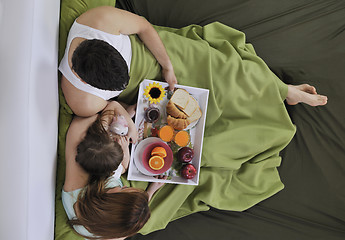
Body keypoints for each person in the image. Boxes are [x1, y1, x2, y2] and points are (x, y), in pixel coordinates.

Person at [62, 102, 167, 239]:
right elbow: (126, 224)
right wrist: (151, 191)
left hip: (87, 135)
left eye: (123, 190)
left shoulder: (77, 188)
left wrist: (124, 125)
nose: (122, 186)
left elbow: (80, 126)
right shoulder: (115, 226)